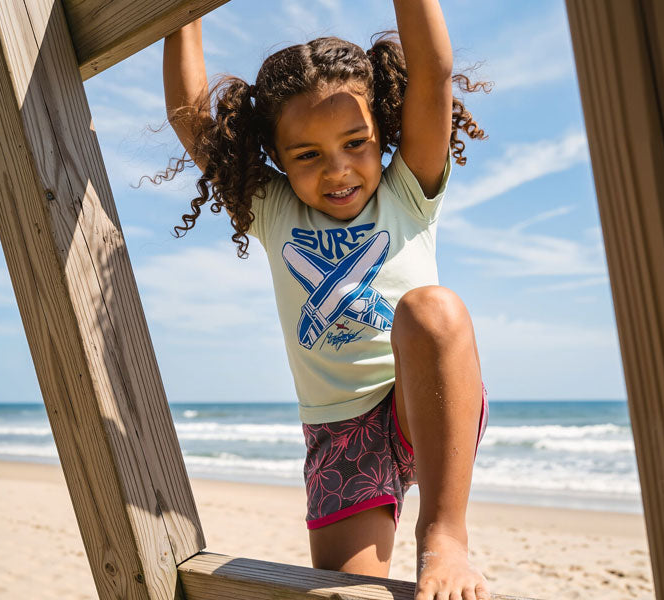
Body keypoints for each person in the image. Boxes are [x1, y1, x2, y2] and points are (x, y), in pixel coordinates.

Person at [158, 2, 493, 598]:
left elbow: (433, 70)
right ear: (275, 159)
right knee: (343, 595)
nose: (338, 170)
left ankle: (445, 536)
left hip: (424, 403)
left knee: (431, 310)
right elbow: (191, 119)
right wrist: (183, 15)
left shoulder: (409, 189)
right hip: (339, 433)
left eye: (355, 143)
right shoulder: (271, 209)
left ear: (384, 133)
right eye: (307, 155)